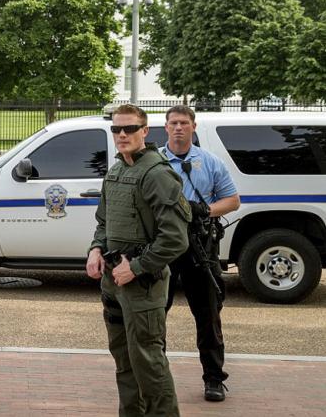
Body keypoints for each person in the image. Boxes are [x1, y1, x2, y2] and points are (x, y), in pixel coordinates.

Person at [86, 103, 191, 417]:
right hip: (114, 281)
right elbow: (104, 222)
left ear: (145, 131)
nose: (122, 134)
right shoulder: (117, 169)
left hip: (142, 284)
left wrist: (136, 267)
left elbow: (175, 238)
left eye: (129, 128)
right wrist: (94, 249)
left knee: (149, 363)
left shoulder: (157, 174)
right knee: (124, 361)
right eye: (116, 129)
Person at [162, 105, 240, 402]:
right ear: (165, 127)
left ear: (193, 126)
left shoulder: (209, 162)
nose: (178, 127)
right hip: (163, 245)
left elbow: (232, 200)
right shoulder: (154, 161)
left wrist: (204, 210)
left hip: (200, 246)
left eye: (184, 122)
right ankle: (157, 377)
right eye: (173, 123)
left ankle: (214, 379)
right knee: (156, 314)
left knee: (208, 315)